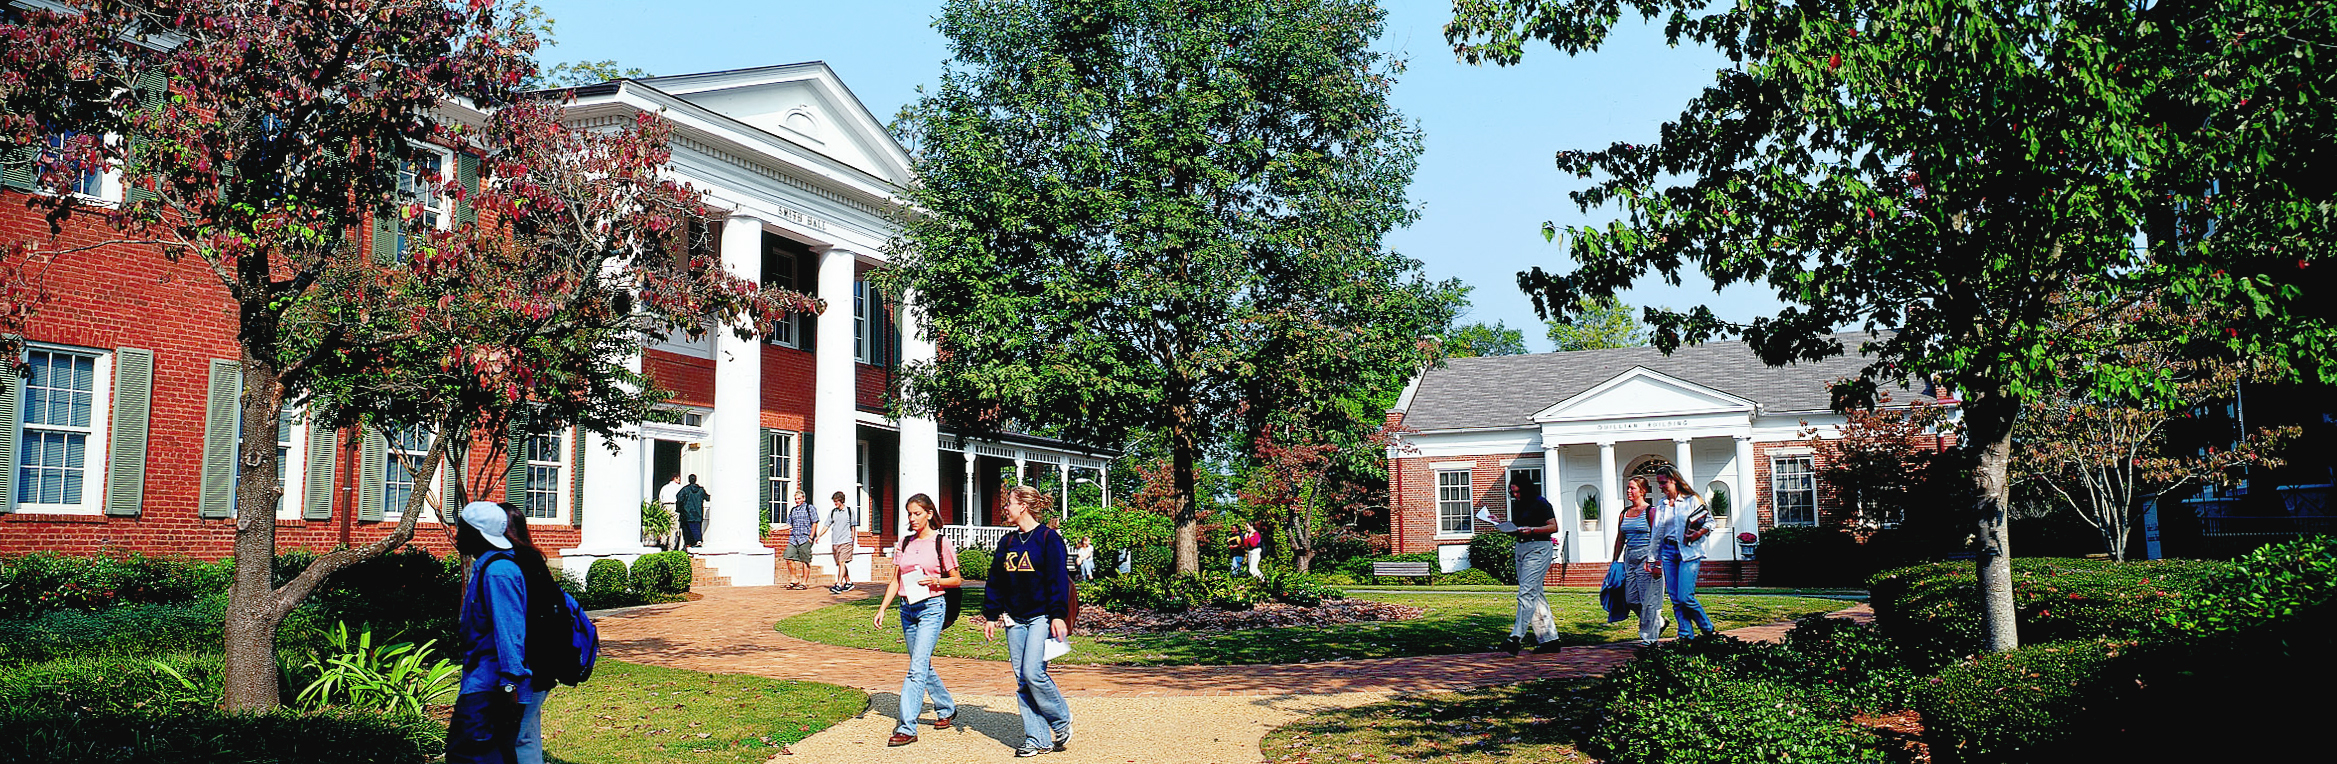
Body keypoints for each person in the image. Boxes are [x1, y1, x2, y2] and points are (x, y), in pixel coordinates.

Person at [978, 485, 1074, 757]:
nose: (1005, 508)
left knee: (1033, 673)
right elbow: (995, 581)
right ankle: (1038, 738)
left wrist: (1058, 615)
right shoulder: (1007, 542)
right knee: (1023, 680)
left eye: (1009, 502)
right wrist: (991, 615)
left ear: (1022, 506)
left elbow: (1057, 580)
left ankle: (1061, 719)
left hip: (1041, 617)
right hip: (1014, 619)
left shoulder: (1048, 539)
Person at [447, 501, 537, 764]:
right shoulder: (488, 568)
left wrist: (510, 685)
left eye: (462, 529)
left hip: (490, 690)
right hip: (482, 685)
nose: (456, 535)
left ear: (477, 534)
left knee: (470, 756)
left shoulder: (498, 573)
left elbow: (510, 633)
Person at [872, 493, 963, 746]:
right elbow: (896, 580)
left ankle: (907, 728)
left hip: (932, 607)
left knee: (916, 669)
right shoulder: (904, 543)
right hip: (907, 609)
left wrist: (936, 580)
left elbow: (956, 579)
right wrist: (882, 608)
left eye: (917, 513)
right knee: (920, 664)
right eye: (909, 514)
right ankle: (946, 707)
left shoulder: (941, 543)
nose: (912, 518)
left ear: (929, 514)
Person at [1498, 477, 1563, 655]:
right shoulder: (1518, 505)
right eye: (1513, 492)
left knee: (1526, 592)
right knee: (1535, 592)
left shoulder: (1541, 503)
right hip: (1521, 548)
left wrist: (1532, 530)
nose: (1515, 495)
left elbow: (1553, 527)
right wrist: (1503, 525)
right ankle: (1550, 640)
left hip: (1538, 548)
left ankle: (1516, 637)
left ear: (1526, 489)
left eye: (1518, 491)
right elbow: (1517, 527)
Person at [1654, 465, 1719, 639]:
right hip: (1668, 552)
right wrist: (1653, 558)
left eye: (1663, 483)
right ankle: (1685, 635)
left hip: (1689, 552)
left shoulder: (1692, 500)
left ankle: (1707, 628)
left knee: (1685, 597)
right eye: (1659, 483)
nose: (1660, 487)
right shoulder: (1662, 505)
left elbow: (1710, 522)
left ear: (1674, 480)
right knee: (1675, 599)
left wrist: (1698, 533)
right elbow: (1656, 534)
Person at [1609, 476, 1667, 645]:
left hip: (1646, 557)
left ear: (1643, 491)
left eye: (1632, 488)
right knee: (1631, 599)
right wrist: (1614, 561)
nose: (1629, 491)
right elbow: (1620, 538)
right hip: (1630, 557)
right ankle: (1659, 622)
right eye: (1628, 488)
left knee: (1648, 600)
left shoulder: (1651, 512)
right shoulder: (1624, 513)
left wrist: (1656, 561)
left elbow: (1659, 537)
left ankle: (1649, 639)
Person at [813, 491, 856, 593]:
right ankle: (848, 582)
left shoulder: (849, 511)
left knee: (842, 562)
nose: (835, 503)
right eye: (834, 501)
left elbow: (853, 526)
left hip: (846, 541)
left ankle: (838, 584)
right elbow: (826, 525)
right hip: (836, 542)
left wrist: (852, 539)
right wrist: (819, 536)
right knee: (841, 563)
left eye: (837, 501)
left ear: (841, 500)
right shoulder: (833, 512)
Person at [782, 489, 819, 590]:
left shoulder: (809, 508)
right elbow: (789, 524)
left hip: (805, 538)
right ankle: (794, 579)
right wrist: (778, 529)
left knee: (805, 560)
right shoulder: (793, 510)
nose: (797, 501)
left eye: (799, 499)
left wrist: (811, 537)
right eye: (796, 499)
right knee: (788, 557)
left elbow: (815, 522)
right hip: (794, 538)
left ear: (804, 498)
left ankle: (804, 582)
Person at [675, 474, 710, 550]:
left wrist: (679, 509)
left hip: (687, 514)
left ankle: (689, 544)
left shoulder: (685, 490)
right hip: (698, 514)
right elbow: (708, 498)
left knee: (687, 531)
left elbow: (679, 498)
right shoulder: (701, 490)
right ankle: (698, 540)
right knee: (696, 528)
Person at [656, 474, 685, 549]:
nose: (679, 480)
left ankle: (663, 542)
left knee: (665, 525)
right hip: (674, 506)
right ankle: (671, 546)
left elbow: (660, 499)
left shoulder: (664, 487)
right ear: (675, 478)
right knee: (674, 527)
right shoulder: (679, 487)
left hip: (665, 506)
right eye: (678, 479)